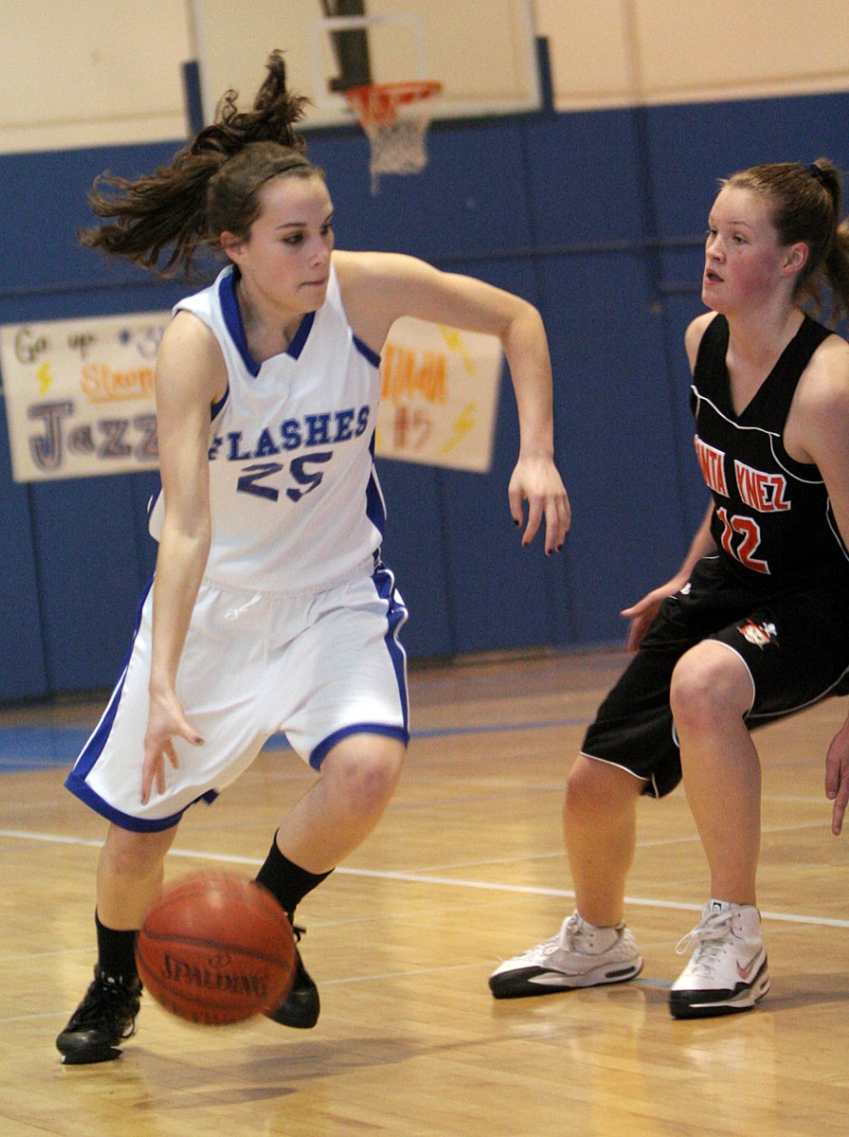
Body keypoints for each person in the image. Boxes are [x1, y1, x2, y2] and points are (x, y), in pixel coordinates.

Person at [55, 52, 571, 1064]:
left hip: (333, 593)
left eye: (326, 229)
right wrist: (161, 681)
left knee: (369, 770)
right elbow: (188, 528)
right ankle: (114, 980)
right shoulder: (193, 345)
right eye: (294, 238)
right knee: (137, 836)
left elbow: (519, 320)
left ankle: (268, 911)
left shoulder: (364, 296)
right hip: (212, 608)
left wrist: (538, 452)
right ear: (234, 246)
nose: (320, 253)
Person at [489, 157, 849, 1019]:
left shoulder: (830, 388)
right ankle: (599, 938)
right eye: (711, 232)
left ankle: (737, 933)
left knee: (703, 684)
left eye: (737, 237)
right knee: (593, 781)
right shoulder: (704, 341)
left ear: (793, 258)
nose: (713, 251)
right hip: (734, 584)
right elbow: (734, 486)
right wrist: (692, 572)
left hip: (824, 601)